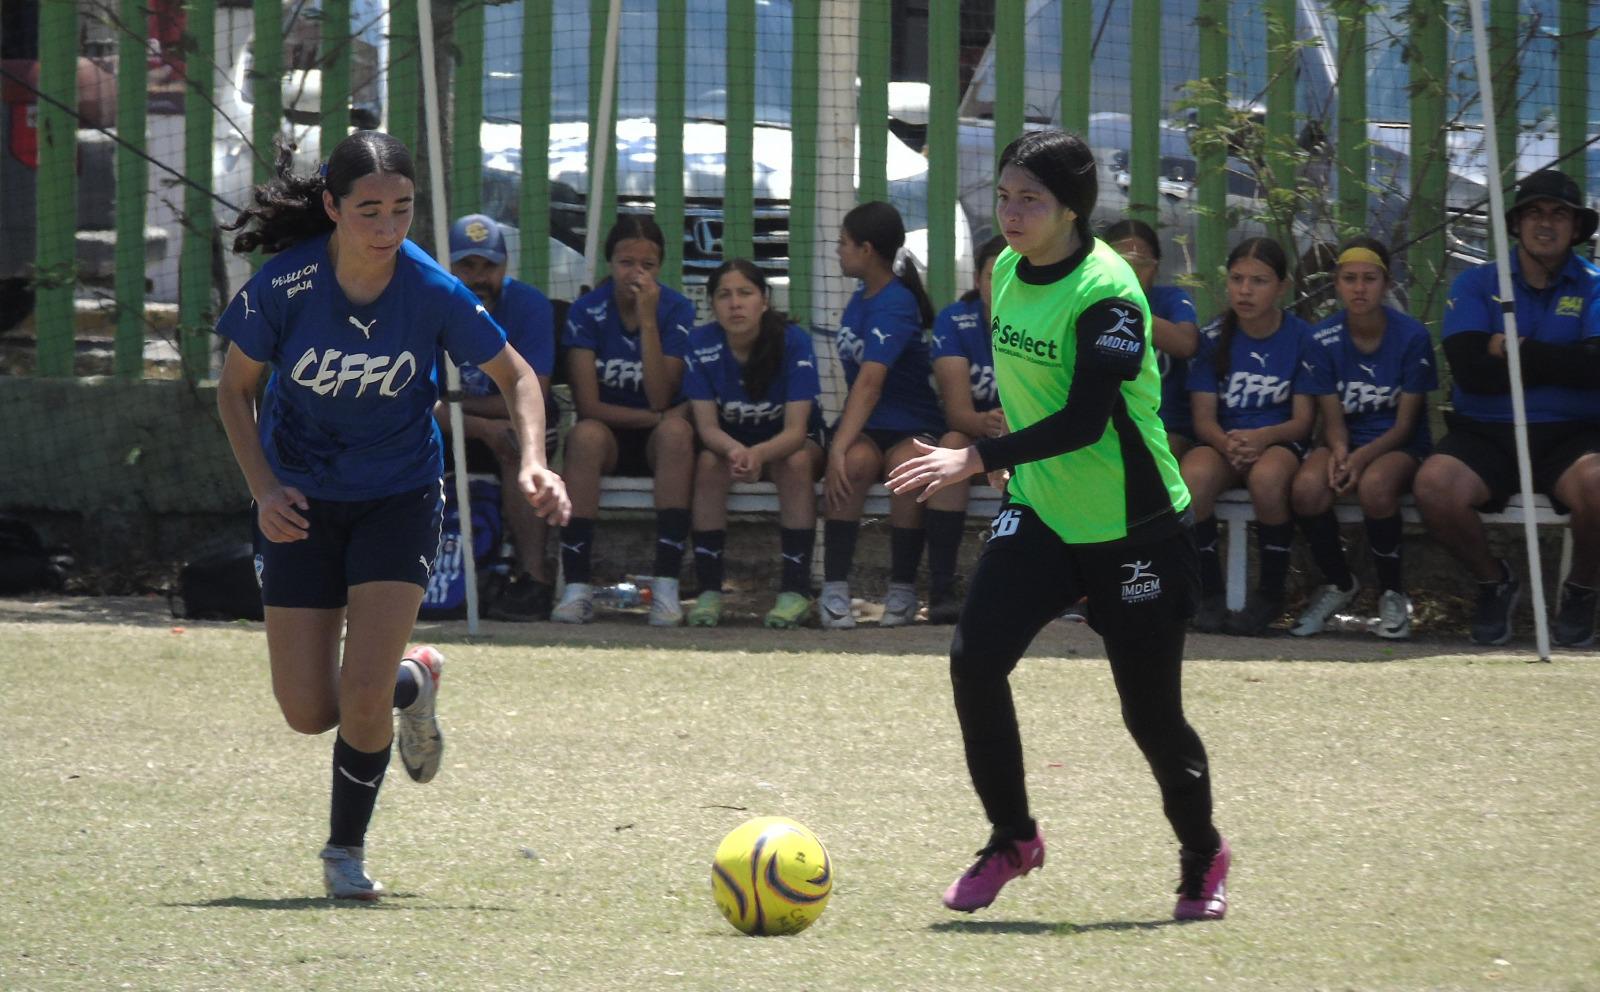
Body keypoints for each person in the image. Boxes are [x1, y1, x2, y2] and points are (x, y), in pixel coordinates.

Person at [213, 132, 569, 899]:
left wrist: (535, 460)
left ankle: (344, 853)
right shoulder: (287, 286)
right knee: (309, 710)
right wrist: (265, 490)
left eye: (402, 209)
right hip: (301, 502)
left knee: (361, 695)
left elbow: (519, 376)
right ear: (334, 209)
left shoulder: (432, 288)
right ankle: (415, 684)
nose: (387, 227)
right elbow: (233, 391)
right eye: (369, 210)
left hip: (399, 496)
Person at [888, 130, 1229, 922]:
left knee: (1150, 717)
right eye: (1004, 194)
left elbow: (1084, 419)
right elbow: (1033, 396)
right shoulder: (1005, 270)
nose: (1010, 211)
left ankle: (1202, 853)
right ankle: (1012, 839)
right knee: (974, 662)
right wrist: (1007, 461)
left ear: (1071, 209)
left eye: (1030, 198)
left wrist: (975, 457)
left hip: (1134, 527)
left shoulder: (1108, 293)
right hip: (1041, 512)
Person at [1413, 169, 1600, 647]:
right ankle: (1494, 581)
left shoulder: (1595, 284)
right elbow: (1470, 369)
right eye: (1534, 212)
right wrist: (1561, 360)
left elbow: (1595, 369)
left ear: (1577, 228)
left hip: (1573, 435)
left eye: (1560, 214)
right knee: (1434, 486)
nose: (1546, 223)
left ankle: (1581, 590)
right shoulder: (1477, 283)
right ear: (1516, 223)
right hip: (1486, 433)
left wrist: (1511, 349)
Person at [552, 215, 698, 626]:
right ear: (609, 263)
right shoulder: (587, 311)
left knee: (676, 433)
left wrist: (648, 319)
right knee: (584, 437)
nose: (636, 273)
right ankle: (577, 587)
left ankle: (666, 587)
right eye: (625, 263)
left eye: (647, 266)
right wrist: (655, 416)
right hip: (609, 435)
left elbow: (660, 395)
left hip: (658, 443)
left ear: (659, 268)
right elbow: (589, 405)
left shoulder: (675, 309)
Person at [1288, 237, 1437, 639]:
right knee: (1305, 489)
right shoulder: (1322, 338)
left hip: (1395, 444)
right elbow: (1332, 417)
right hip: (1346, 440)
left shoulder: (1412, 338)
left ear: (1386, 284)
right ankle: (1339, 582)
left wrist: (1360, 458)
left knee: (1375, 487)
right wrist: (1339, 452)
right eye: (1349, 278)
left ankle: (1392, 592)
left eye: (1369, 279)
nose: (1359, 288)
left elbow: (1405, 426)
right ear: (1336, 283)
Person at [1181, 237, 1330, 635]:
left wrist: (1262, 438)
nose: (1245, 290)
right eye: (1237, 279)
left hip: (1278, 439)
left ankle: (1269, 593)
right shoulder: (1213, 336)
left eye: (1259, 281)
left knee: (1267, 480)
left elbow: (1303, 422)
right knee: (1192, 479)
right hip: (1224, 440)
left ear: (1281, 287)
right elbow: (1203, 419)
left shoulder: (1302, 338)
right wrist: (1226, 442)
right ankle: (1207, 594)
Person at [822, 201, 946, 629]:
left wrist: (837, 442)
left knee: (907, 468)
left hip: (912, 421)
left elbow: (871, 383)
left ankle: (903, 590)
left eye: (844, 244)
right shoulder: (860, 299)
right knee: (853, 465)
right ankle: (834, 589)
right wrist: (844, 448)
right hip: (871, 426)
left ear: (867, 249)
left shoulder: (895, 302)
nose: (838, 252)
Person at [682, 259, 826, 628]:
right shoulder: (700, 344)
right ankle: (709, 591)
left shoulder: (794, 341)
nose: (735, 304)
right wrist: (735, 452)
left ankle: (795, 591)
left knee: (793, 462)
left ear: (764, 300)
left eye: (745, 293)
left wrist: (757, 454)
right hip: (731, 443)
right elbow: (706, 427)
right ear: (712, 305)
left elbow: (796, 432)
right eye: (724, 295)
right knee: (708, 464)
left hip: (789, 442)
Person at [441, 213, 561, 621]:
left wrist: (456, 404)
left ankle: (535, 579)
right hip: (444, 425)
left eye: (488, 266)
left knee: (519, 444)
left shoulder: (529, 306)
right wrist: (476, 422)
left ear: (505, 267)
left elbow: (533, 394)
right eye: (467, 266)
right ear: (449, 267)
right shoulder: (430, 305)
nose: (478, 277)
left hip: (503, 422)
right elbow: (415, 402)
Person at [925, 234, 1007, 624]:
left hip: (1033, 438)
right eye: (993, 275)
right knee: (950, 446)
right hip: (976, 431)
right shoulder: (955, 320)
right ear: (977, 280)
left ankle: (1032, 587)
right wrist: (984, 424)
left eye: (1012, 275)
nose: (1002, 285)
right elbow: (958, 413)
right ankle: (941, 588)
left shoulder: (1045, 321)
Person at [1101, 218, 1202, 460]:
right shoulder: (1088, 303)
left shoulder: (1170, 300)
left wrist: (1127, 307)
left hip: (1166, 426)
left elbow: (1186, 344)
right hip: (1105, 426)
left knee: (1150, 458)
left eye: (1142, 263)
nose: (1132, 272)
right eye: (1122, 263)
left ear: (1156, 267)